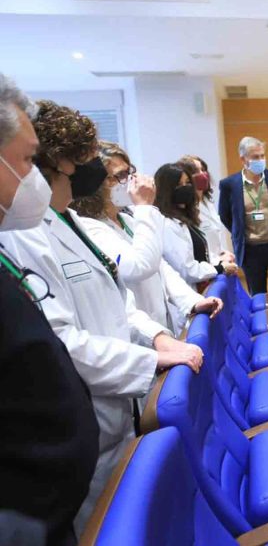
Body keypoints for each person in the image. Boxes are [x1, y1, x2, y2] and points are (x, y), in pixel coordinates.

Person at [3, 99, 204, 534]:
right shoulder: (25, 237)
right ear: (60, 161)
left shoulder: (69, 219)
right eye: (91, 159)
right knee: (107, 527)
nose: (98, 170)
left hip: (120, 412)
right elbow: (61, 341)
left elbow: (119, 301)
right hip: (90, 426)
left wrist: (156, 339)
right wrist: (148, 362)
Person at [0, 75, 99, 546]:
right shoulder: (23, 237)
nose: (31, 173)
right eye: (24, 159)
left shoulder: (65, 220)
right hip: (27, 520)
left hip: (49, 508)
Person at [73, 142, 223, 334]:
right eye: (119, 175)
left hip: (162, 323)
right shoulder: (92, 228)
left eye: (129, 172)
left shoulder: (128, 220)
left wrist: (192, 301)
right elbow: (138, 266)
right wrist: (144, 207)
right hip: (137, 335)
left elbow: (162, 267)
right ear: (97, 184)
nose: (129, 180)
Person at [218, 136, 268, 302]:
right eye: (255, 157)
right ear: (243, 159)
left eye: (262, 156)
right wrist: (240, 231)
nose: (260, 160)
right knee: (258, 297)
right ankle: (266, 327)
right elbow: (225, 215)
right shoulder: (229, 184)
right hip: (251, 250)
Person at [154, 162, 237, 291]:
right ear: (167, 190)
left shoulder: (185, 218)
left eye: (187, 183)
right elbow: (187, 269)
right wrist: (220, 268)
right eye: (178, 185)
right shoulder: (168, 224)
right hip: (188, 292)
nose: (185, 188)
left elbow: (201, 254)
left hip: (203, 285)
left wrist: (219, 262)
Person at [179, 154, 235, 267]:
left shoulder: (206, 201)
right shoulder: (186, 208)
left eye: (203, 170)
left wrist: (223, 252)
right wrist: (218, 260)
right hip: (206, 267)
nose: (202, 174)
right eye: (196, 171)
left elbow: (214, 235)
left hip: (220, 262)